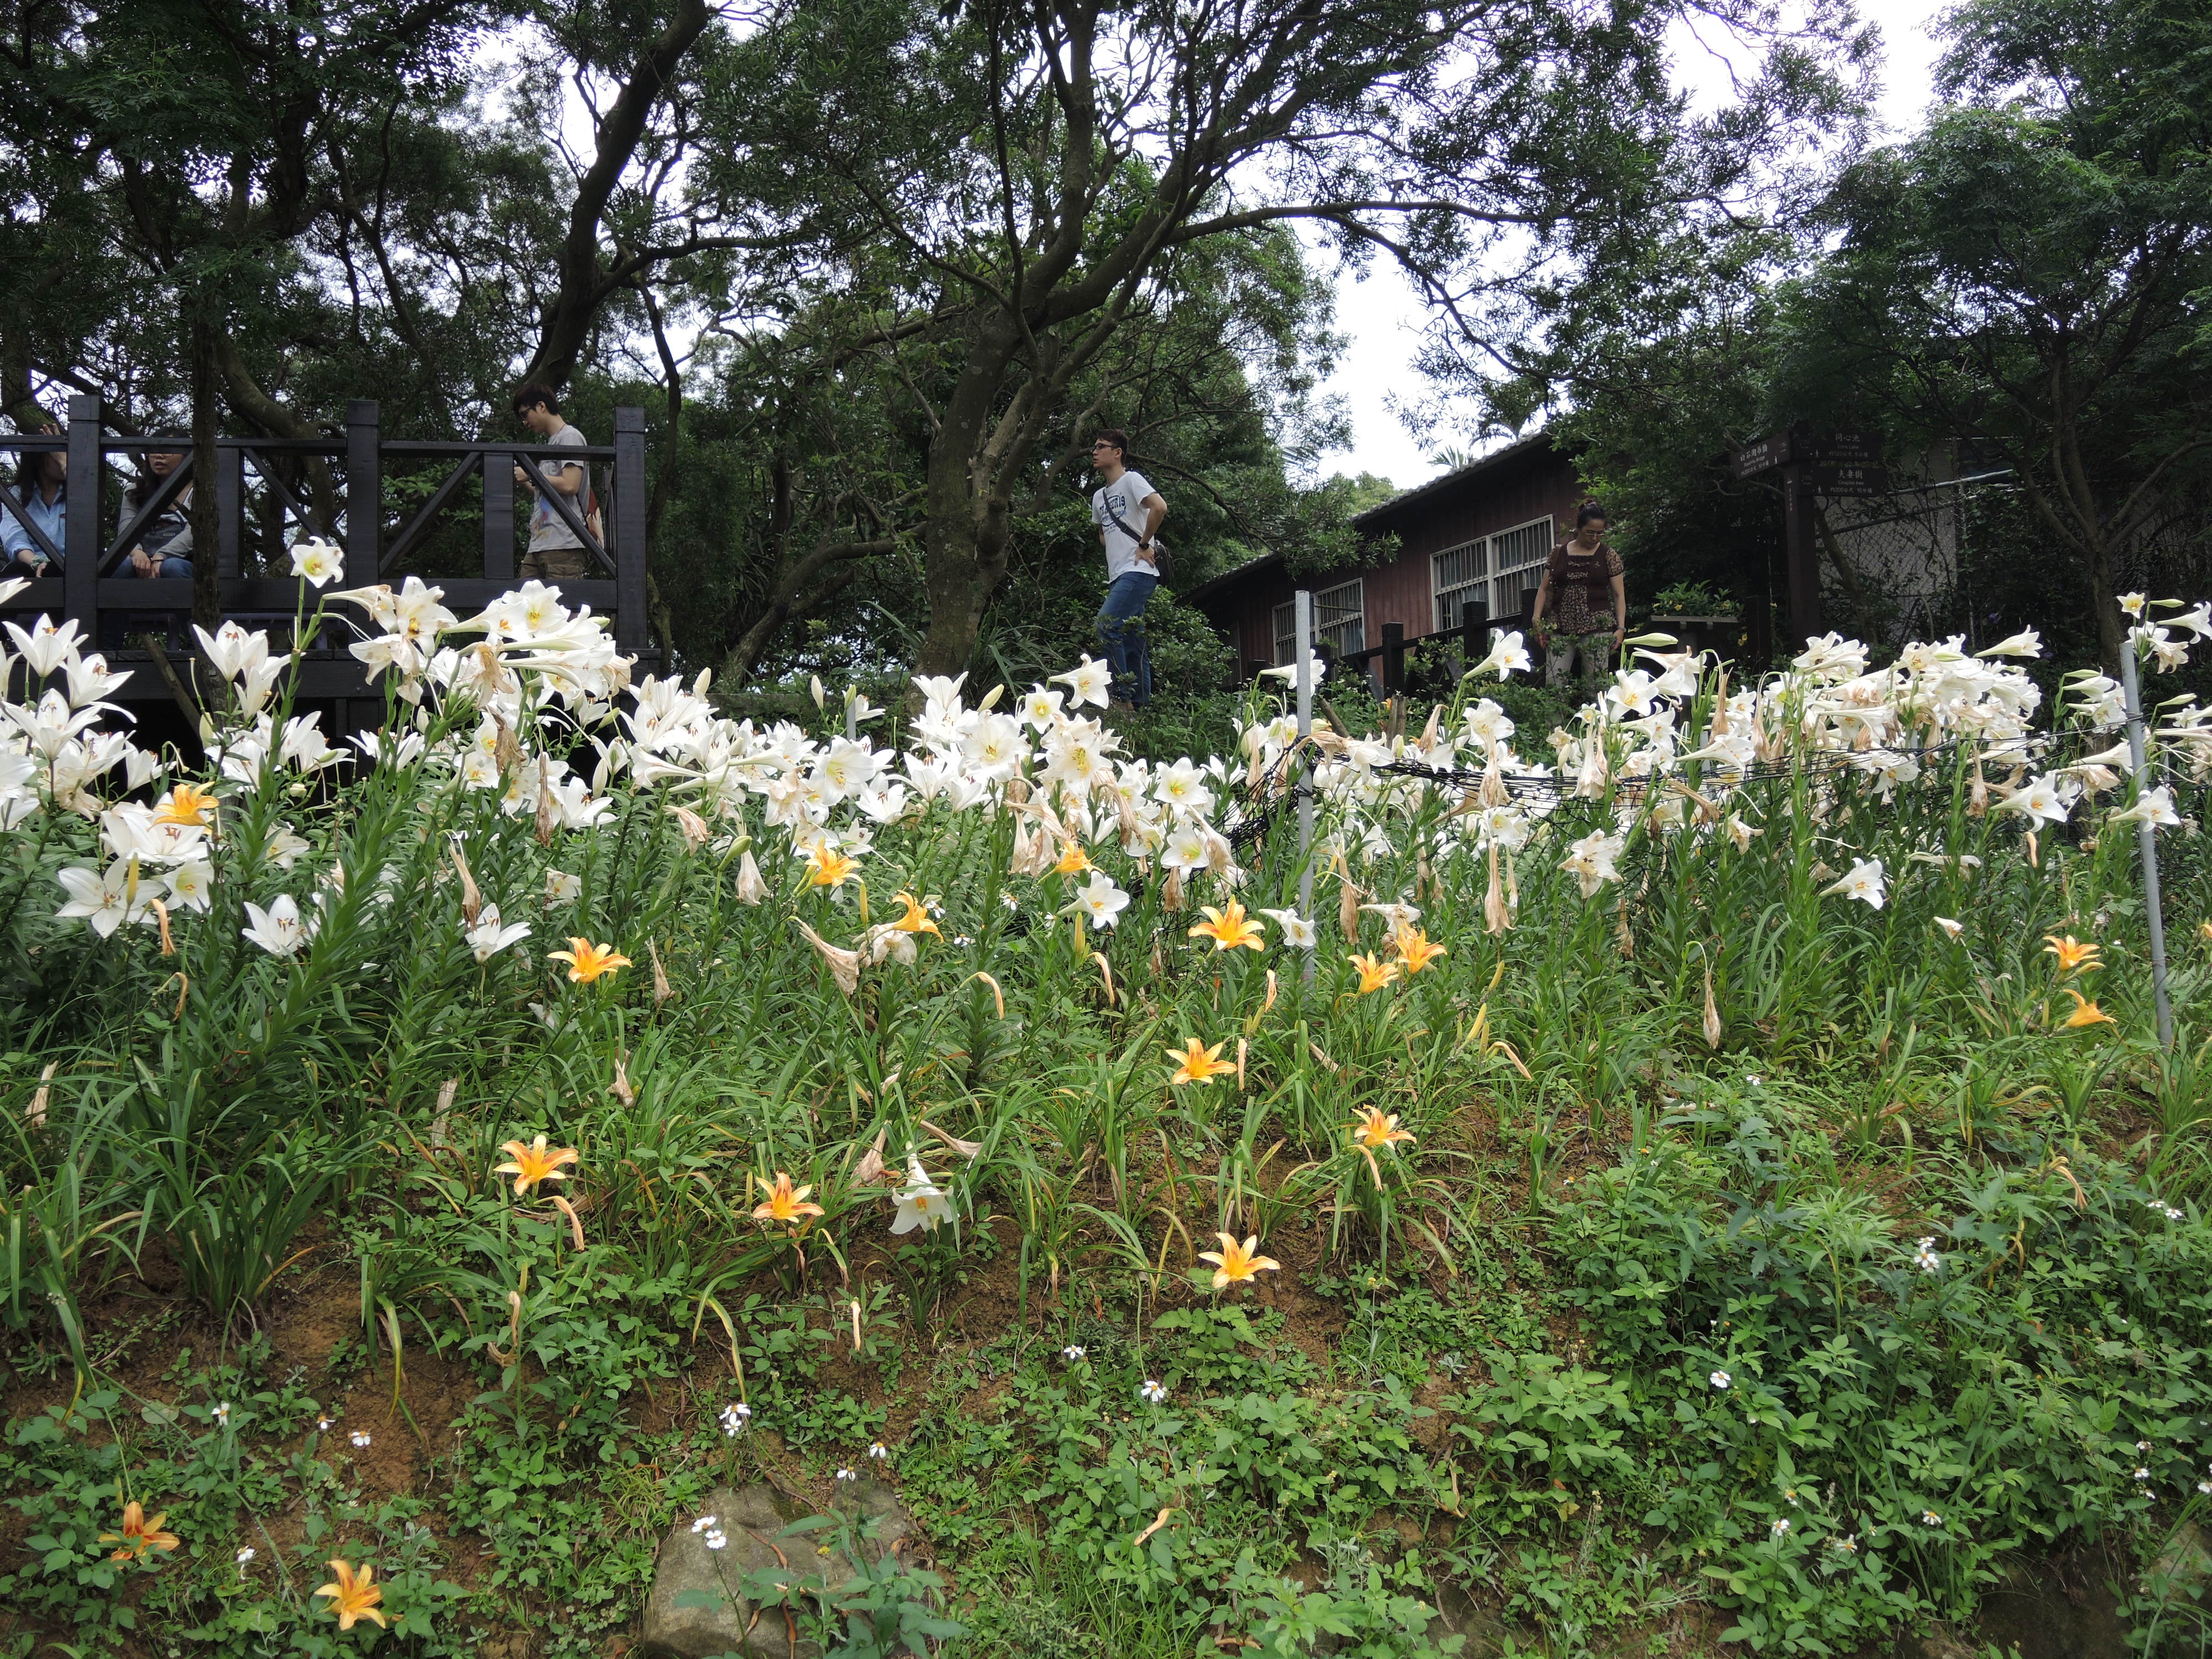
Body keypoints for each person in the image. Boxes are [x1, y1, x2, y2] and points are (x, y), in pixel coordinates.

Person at [1089, 427, 1167, 711]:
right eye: (1094, 448)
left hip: (1138, 571)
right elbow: (1103, 534)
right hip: (1118, 574)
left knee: (1106, 625)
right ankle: (1142, 706)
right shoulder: (1099, 497)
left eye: (1101, 446)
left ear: (1117, 452)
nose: (1095, 452)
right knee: (1133, 642)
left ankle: (1121, 698)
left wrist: (1144, 543)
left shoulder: (1132, 480)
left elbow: (1159, 507)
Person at [1530, 500, 1625, 695]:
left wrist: (1621, 627)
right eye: (1590, 532)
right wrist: (1537, 618)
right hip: (1560, 627)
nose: (1595, 537)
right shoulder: (1558, 553)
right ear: (1579, 528)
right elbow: (1543, 589)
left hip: (1598, 628)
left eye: (1600, 533)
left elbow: (1618, 595)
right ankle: (1554, 726)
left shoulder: (1609, 555)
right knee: (1555, 685)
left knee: (1597, 687)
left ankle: (1599, 725)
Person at [510, 383, 592, 582]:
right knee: (525, 608)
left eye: (525, 414)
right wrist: (523, 480)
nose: (525, 422)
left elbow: (570, 485)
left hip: (564, 542)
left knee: (563, 610)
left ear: (541, 406)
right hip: (540, 542)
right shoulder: (551, 443)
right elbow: (547, 493)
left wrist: (530, 474)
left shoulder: (570, 437)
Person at [117, 434, 195, 577]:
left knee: (172, 567)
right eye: (153, 451)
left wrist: (162, 555)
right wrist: (137, 553)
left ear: (186, 455)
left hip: (183, 560)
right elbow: (126, 527)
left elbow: (194, 533)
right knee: (123, 565)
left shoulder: (200, 491)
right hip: (142, 555)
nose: (159, 455)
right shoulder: (134, 491)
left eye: (168, 450)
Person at [1, 425, 66, 578]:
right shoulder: (16, 495)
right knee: (16, 573)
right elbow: (15, 541)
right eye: (59, 453)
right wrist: (37, 563)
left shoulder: (78, 492)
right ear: (41, 457)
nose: (65, 457)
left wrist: (66, 465)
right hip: (31, 565)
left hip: (73, 566)